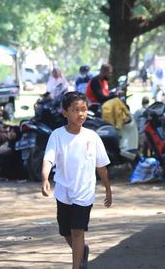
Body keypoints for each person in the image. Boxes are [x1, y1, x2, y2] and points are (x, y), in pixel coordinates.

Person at [41, 91, 112, 269]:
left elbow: (102, 167)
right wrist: (45, 178)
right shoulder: (57, 135)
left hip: (84, 192)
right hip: (63, 192)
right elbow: (48, 159)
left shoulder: (92, 137)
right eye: (75, 110)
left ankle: (76, 266)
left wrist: (108, 190)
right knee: (65, 232)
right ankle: (82, 252)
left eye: (84, 109)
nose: (81, 114)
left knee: (77, 230)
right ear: (65, 112)